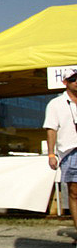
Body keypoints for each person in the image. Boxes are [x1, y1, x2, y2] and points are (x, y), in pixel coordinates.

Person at [44, 68, 77, 234]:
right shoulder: (56, 104)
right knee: (74, 192)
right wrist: (51, 154)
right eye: (73, 79)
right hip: (70, 151)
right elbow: (51, 129)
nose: (76, 82)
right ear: (65, 83)